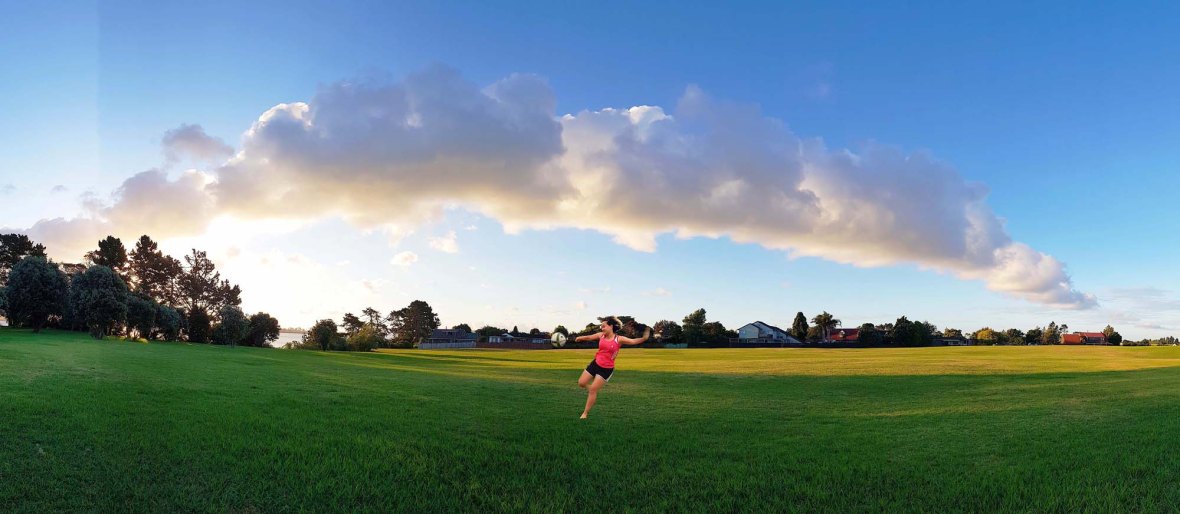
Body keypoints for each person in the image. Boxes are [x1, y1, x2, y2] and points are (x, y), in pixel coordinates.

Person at [570, 316, 650, 419]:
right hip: (595, 363)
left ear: (611, 326)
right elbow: (589, 337)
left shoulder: (619, 339)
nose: (601, 328)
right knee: (581, 383)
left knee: (593, 390)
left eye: (604, 326)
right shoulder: (601, 335)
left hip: (606, 369)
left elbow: (633, 341)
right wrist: (580, 338)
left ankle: (585, 413)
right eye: (601, 327)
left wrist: (644, 338)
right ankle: (592, 389)